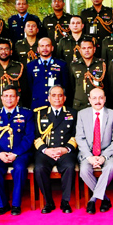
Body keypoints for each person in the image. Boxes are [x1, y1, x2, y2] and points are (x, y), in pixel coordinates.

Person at [0, 86, 35, 216]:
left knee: (20, 169)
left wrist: (15, 153)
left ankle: (16, 204)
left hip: (20, 154)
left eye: (12, 96)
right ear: (1, 98)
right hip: (0, 154)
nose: (9, 99)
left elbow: (29, 137)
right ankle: (2, 204)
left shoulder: (27, 114)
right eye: (6, 96)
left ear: (17, 98)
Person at [76, 88, 113, 214]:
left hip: (109, 152)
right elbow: (79, 138)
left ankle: (93, 199)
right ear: (89, 100)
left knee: (110, 167)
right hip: (89, 153)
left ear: (105, 99)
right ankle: (105, 199)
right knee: (84, 171)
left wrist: (104, 156)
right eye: (94, 98)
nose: (98, 101)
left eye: (101, 98)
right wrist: (89, 157)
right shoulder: (82, 114)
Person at [34, 85, 78, 214]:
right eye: (54, 95)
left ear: (64, 98)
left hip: (64, 151)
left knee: (70, 166)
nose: (57, 98)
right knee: (39, 168)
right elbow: (35, 136)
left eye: (60, 95)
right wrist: (45, 150)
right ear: (48, 98)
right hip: (46, 151)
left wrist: (65, 149)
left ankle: (65, 202)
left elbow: (76, 135)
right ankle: (49, 202)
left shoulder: (73, 113)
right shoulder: (39, 113)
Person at [26, 37, 69, 108]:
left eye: (47, 46)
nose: (45, 48)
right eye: (42, 46)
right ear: (38, 49)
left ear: (52, 48)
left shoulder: (61, 64)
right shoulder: (30, 66)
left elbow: (65, 86)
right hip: (37, 105)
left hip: (56, 106)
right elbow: (29, 88)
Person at [70, 37, 107, 111]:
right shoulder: (74, 65)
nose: (86, 50)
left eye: (89, 48)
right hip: (79, 106)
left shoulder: (102, 64)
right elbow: (71, 87)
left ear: (94, 49)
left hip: (98, 105)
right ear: (80, 50)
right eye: (84, 48)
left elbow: (107, 86)